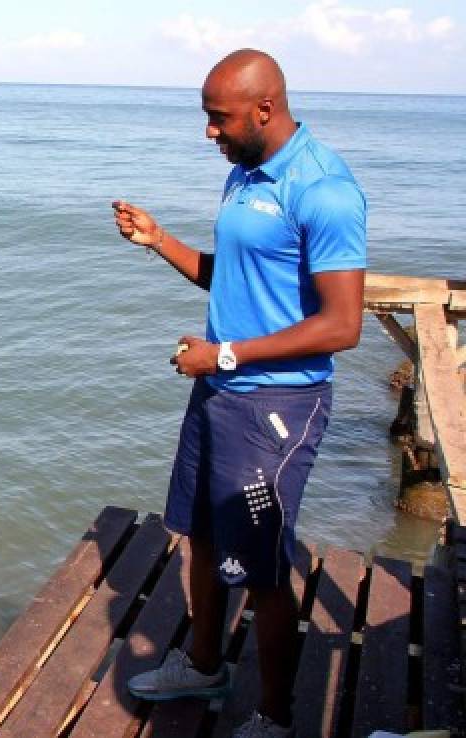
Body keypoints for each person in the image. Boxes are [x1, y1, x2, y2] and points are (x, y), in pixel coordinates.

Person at [111, 49, 367, 738]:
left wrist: (222, 354)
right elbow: (236, 278)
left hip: (275, 408)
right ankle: (203, 665)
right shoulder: (245, 174)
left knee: (261, 570)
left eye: (218, 119)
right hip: (219, 392)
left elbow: (343, 326)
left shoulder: (324, 189)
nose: (209, 133)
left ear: (265, 109)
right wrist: (160, 240)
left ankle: (276, 716)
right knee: (195, 533)